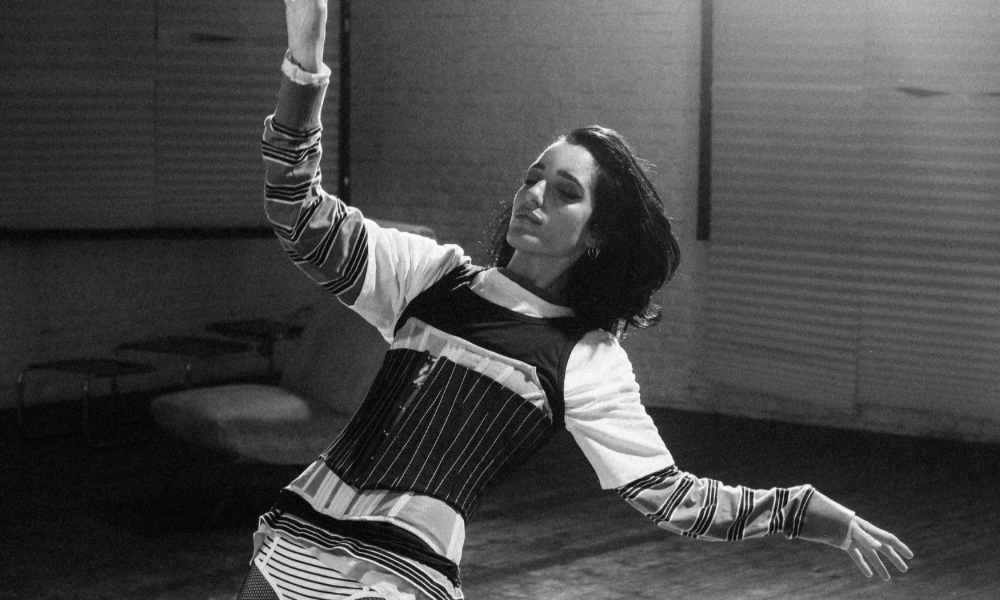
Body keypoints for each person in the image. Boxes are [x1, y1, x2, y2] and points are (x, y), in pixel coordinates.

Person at [239, 2, 913, 598]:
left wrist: (800, 510)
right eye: (533, 178)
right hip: (288, 546)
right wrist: (306, 64)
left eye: (565, 192)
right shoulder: (432, 277)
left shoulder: (586, 360)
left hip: (394, 576)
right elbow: (300, 216)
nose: (534, 195)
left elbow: (671, 499)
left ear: (597, 235)